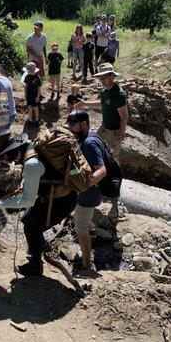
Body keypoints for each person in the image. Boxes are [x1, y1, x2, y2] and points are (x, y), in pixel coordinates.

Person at [0, 133, 78, 276]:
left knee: (32, 227)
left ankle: (35, 266)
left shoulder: (31, 164)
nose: (5, 161)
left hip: (61, 201)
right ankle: (40, 245)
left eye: (4, 156)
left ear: (12, 152)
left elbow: (28, 200)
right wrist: (26, 183)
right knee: (27, 219)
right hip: (57, 195)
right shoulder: (31, 145)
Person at [74, 63, 128, 219]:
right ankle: (94, 176)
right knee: (88, 142)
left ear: (112, 75)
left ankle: (114, 201)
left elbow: (124, 117)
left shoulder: (119, 94)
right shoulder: (105, 91)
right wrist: (84, 104)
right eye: (100, 77)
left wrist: (120, 137)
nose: (102, 80)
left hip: (114, 131)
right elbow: (101, 104)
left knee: (114, 163)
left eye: (105, 77)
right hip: (104, 127)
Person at [67, 110, 107, 270]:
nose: (70, 128)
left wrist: (83, 185)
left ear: (83, 124)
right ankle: (92, 232)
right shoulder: (86, 137)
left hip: (89, 194)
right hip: (84, 192)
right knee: (82, 219)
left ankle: (86, 265)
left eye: (73, 125)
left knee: (79, 229)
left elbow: (102, 170)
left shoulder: (90, 143)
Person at [23, 62, 42, 126]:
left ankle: (37, 119)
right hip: (29, 94)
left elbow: (39, 88)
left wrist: (38, 97)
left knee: (36, 107)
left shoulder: (37, 77)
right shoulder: (27, 77)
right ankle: (30, 119)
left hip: (35, 94)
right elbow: (25, 87)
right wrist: (25, 96)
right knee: (30, 107)